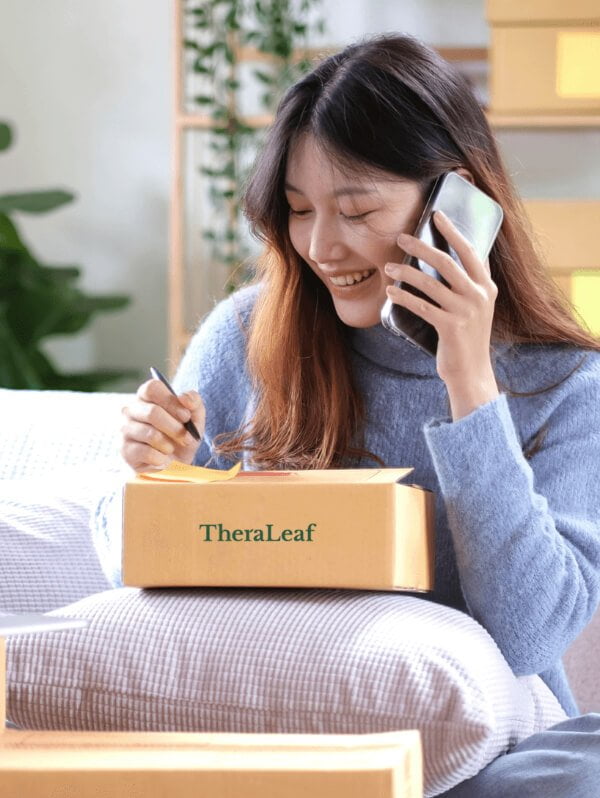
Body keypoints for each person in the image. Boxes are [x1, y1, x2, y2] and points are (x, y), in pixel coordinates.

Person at [114, 33, 600, 796]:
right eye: (300, 210)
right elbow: (132, 573)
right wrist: (154, 477)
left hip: (499, 760)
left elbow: (531, 632)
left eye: (356, 209)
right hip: (284, 741)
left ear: (455, 205)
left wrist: (469, 382)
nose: (321, 245)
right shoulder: (248, 338)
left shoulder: (568, 385)